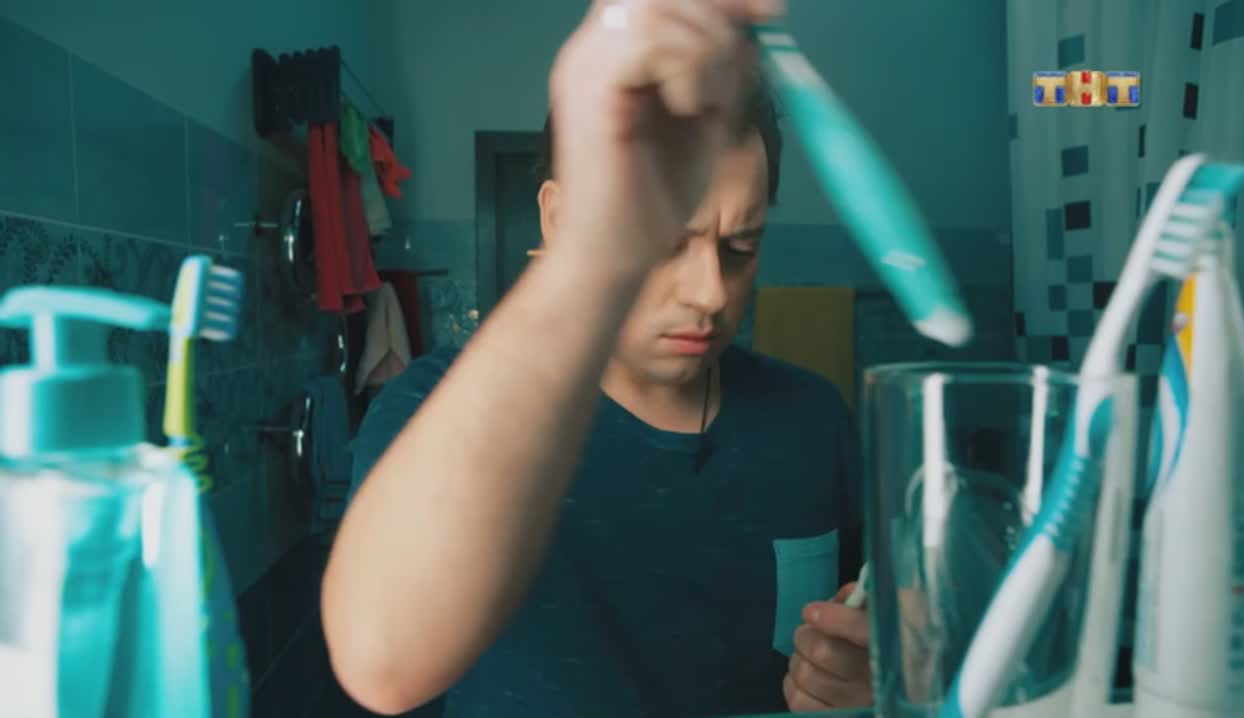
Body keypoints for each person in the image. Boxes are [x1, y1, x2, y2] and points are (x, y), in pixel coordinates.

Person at [322, 0, 872, 715]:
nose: (709, 293)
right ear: (559, 220)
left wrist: (870, 682)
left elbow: (872, 626)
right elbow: (382, 663)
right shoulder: (435, 411)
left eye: (740, 248)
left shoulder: (812, 418)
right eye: (661, 241)